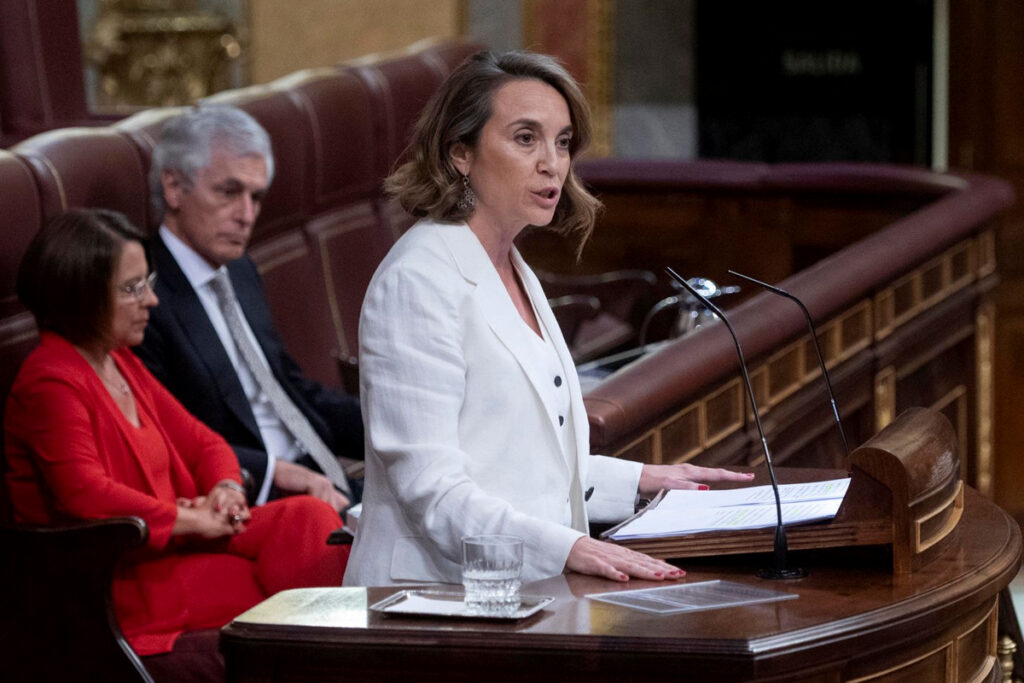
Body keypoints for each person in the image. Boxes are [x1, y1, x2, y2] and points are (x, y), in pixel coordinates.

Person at [344, 50, 754, 587]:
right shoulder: (417, 281)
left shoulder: (510, 264)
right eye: (525, 138)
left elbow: (514, 461)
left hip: (510, 594)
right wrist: (571, 549)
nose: (552, 163)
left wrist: (642, 481)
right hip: (430, 604)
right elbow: (432, 489)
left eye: (562, 142)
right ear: (460, 152)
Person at [4, 208, 348, 667]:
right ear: (81, 297)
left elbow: (205, 443)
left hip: (179, 542)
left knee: (311, 517)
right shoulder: (50, 380)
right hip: (121, 578)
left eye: (147, 282)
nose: (152, 300)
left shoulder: (120, 360)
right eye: (132, 288)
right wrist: (189, 520)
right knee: (285, 594)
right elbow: (84, 495)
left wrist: (225, 491)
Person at [134, 106, 363, 513]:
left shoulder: (239, 270)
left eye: (255, 197)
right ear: (174, 187)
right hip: (256, 497)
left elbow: (291, 390)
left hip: (325, 475)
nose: (247, 215)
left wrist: (397, 420)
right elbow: (170, 440)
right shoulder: (145, 300)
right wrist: (278, 472)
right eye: (228, 192)